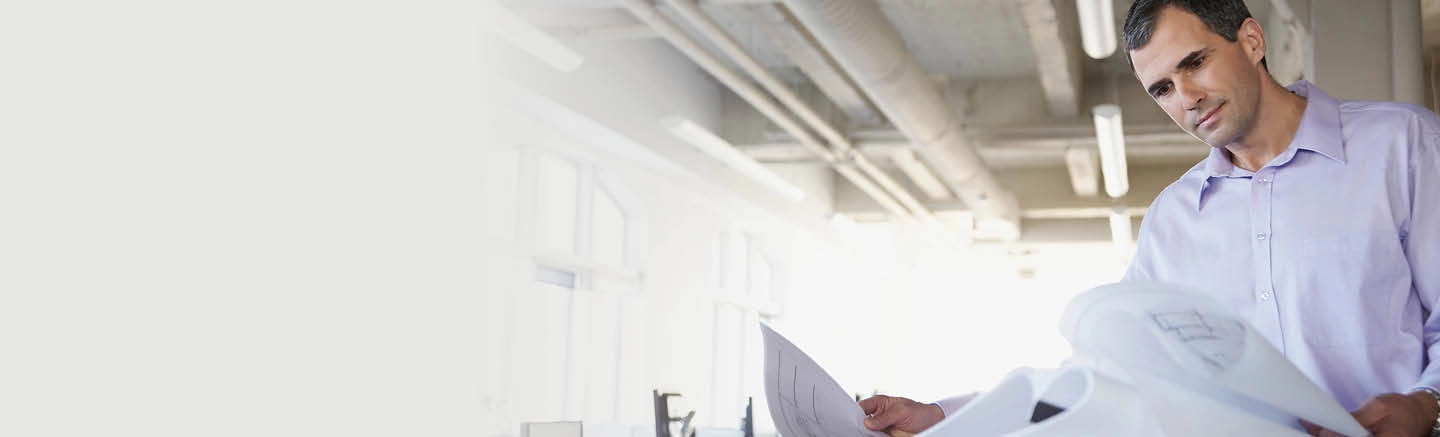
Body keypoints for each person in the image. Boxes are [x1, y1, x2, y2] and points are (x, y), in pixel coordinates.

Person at [858, 1, 1440, 436]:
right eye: (1162, 87)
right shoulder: (1174, 219)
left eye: (1196, 63)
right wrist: (942, 416)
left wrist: (1427, 404)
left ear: (1253, 39)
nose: (1185, 96)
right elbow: (1103, 370)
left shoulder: (1400, 144)